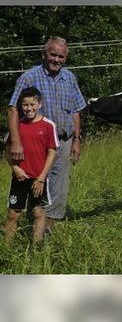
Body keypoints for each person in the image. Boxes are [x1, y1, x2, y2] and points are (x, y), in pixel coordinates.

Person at [7, 37, 86, 233]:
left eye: (61, 56)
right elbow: (12, 109)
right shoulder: (29, 77)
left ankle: (46, 231)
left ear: (65, 58)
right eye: (53, 55)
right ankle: (27, 223)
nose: (57, 60)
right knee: (32, 182)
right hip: (36, 143)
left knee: (59, 186)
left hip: (63, 140)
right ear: (44, 54)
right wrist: (16, 142)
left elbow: (76, 110)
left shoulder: (70, 78)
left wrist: (77, 140)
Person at [5, 87, 58, 242]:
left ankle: (37, 246)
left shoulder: (48, 125)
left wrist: (41, 178)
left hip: (38, 179)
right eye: (25, 105)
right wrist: (15, 168)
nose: (29, 108)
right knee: (13, 214)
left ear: (40, 104)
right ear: (21, 106)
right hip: (20, 176)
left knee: (38, 212)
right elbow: (7, 151)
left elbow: (52, 152)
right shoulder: (17, 125)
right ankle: (7, 248)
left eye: (32, 104)